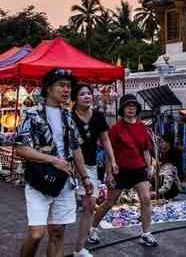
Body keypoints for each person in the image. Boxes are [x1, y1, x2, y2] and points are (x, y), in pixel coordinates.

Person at [15, 68, 94, 257]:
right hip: (39, 179)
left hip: (64, 181)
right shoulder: (32, 113)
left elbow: (75, 149)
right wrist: (53, 160)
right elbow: (21, 148)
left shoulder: (68, 116)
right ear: (48, 88)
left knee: (58, 232)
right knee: (36, 234)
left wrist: (85, 177)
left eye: (68, 86)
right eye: (61, 85)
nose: (66, 90)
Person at [92, 94, 158, 248]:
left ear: (137, 109)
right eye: (128, 106)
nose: (131, 108)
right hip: (120, 170)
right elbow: (109, 152)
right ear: (122, 109)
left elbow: (146, 150)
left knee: (146, 200)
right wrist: (109, 172)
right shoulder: (116, 128)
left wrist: (149, 168)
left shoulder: (142, 127)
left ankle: (146, 233)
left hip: (139, 169)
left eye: (134, 106)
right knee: (109, 202)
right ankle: (92, 228)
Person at [71, 85, 116, 257]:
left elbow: (105, 140)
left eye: (89, 93)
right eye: (82, 94)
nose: (87, 96)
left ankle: (79, 248)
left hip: (90, 166)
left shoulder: (98, 116)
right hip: (70, 166)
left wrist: (112, 161)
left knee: (90, 205)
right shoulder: (69, 117)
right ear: (76, 98)